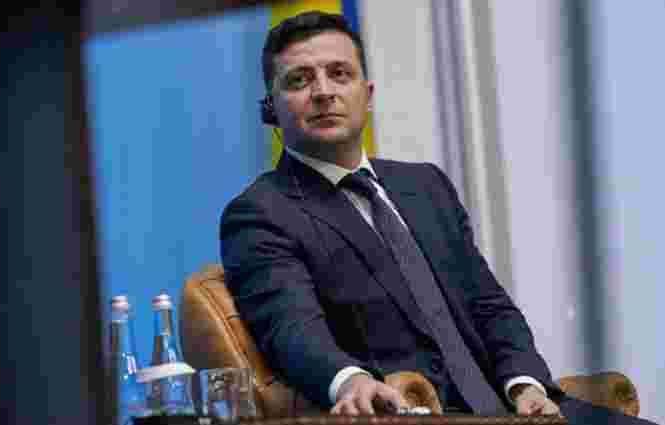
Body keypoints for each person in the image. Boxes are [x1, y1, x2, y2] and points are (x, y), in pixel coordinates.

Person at [220, 10, 657, 424]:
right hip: (415, 414)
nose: (322, 91)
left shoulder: (425, 185)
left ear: (367, 95)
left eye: (340, 73)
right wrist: (349, 381)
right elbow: (291, 327)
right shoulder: (261, 212)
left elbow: (488, 304)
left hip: (515, 410)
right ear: (271, 108)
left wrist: (524, 383)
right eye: (299, 80)